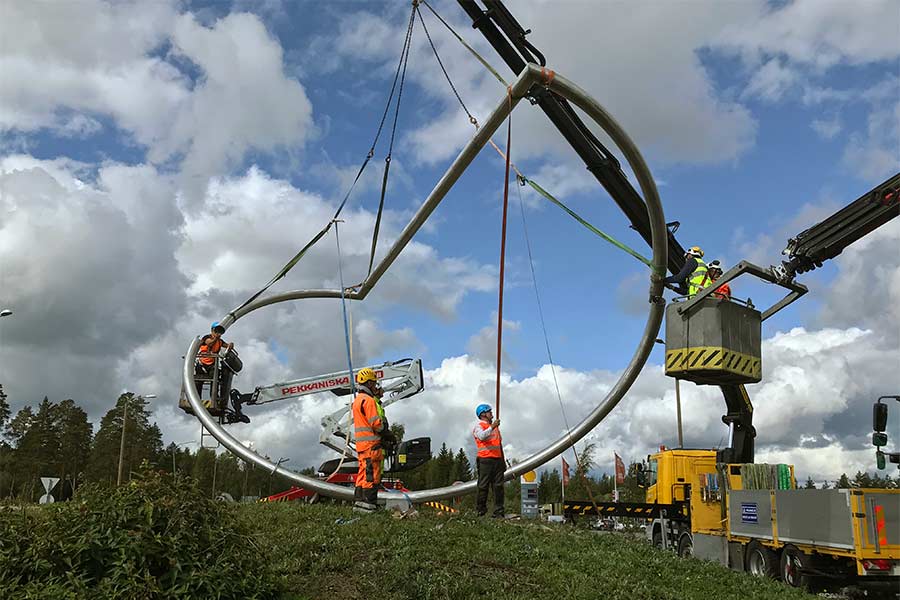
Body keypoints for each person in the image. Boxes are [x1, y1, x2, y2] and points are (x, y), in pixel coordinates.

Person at [352, 368, 394, 512]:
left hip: (361, 445)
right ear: (369, 383)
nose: (376, 386)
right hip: (372, 445)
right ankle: (369, 504)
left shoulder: (357, 401)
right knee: (372, 475)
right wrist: (387, 434)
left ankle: (359, 502)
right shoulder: (368, 401)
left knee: (362, 474)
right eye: (374, 383)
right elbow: (376, 424)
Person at [472, 403, 505, 518]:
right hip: (485, 459)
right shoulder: (479, 426)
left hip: (497, 460)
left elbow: (499, 444)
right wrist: (492, 427)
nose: (492, 413)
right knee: (483, 486)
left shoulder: (495, 428)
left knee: (498, 487)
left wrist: (503, 460)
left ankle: (499, 512)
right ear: (483, 414)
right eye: (489, 412)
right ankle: (481, 511)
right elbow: (481, 436)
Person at [195, 322, 234, 407]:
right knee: (198, 382)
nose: (218, 333)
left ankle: (214, 399)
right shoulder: (207, 337)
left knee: (215, 380)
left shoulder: (220, 341)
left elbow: (226, 345)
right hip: (202, 363)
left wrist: (230, 345)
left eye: (219, 332)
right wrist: (215, 338)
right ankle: (196, 399)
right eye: (216, 331)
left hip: (212, 364)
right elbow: (209, 343)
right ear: (212, 330)